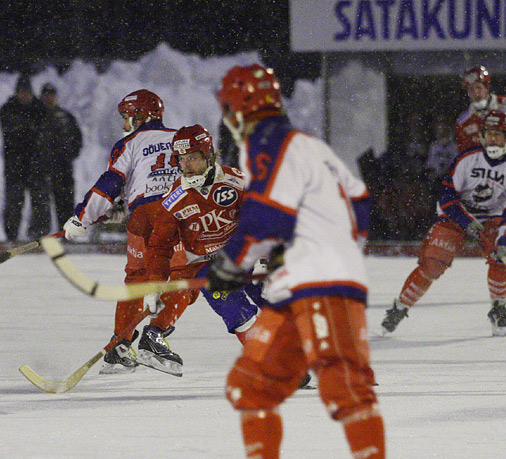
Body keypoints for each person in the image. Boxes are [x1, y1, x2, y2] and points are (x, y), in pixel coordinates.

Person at [207, 64, 384, 459]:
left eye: (229, 108)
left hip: (322, 282)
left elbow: (266, 218)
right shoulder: (309, 144)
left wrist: (230, 265)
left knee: (344, 387)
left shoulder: (267, 143)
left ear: (241, 106)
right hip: (303, 282)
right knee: (249, 385)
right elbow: (360, 200)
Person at [62, 89, 184, 374]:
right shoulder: (182, 137)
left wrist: (82, 218)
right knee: (185, 276)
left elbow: (110, 184)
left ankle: (120, 347)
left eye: (127, 117)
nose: (124, 124)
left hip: (143, 216)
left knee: (138, 280)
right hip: (177, 214)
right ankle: (155, 336)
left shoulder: (128, 143)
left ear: (141, 116)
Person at [142, 124, 263, 376]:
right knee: (234, 308)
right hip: (207, 266)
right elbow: (159, 246)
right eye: (182, 159)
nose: (186, 165)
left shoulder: (237, 181)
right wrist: (154, 284)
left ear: (209, 155)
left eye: (193, 158)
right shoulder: (174, 199)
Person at [383, 110, 506, 338]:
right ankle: (400, 307)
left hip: (493, 217)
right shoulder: (466, 158)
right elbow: (446, 196)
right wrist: (466, 221)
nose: (493, 140)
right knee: (433, 262)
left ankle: (498, 307)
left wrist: (505, 240)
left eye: (498, 135)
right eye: (489, 134)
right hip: (457, 215)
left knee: (503, 256)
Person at [0, 75, 48, 241]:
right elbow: (14, 132)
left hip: (36, 165)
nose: (24, 95)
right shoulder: (8, 109)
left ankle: (38, 234)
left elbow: (43, 134)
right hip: (15, 166)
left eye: (27, 92)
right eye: (22, 92)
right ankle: (11, 236)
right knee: (13, 204)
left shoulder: (40, 109)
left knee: (40, 203)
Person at [38, 83, 83, 229]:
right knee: (41, 205)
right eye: (46, 95)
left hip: (63, 167)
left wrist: (68, 155)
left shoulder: (66, 117)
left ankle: (66, 234)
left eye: (51, 95)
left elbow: (77, 139)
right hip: (41, 168)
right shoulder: (35, 116)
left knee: (65, 203)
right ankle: (40, 236)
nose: (49, 98)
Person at [456, 65, 506, 154]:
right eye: (471, 89)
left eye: (479, 87)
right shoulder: (463, 122)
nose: (475, 92)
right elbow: (464, 154)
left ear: (487, 88)